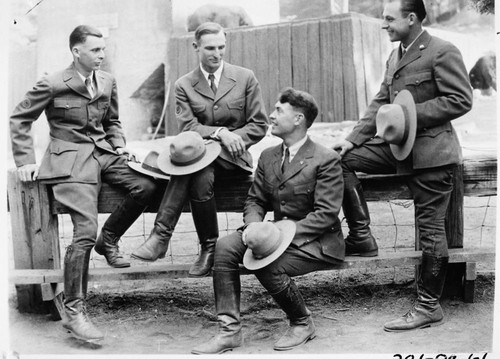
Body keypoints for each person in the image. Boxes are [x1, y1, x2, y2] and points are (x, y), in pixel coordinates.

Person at [333, 0, 472, 332]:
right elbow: (380, 101)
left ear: (412, 19)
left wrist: (409, 115)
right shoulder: (395, 56)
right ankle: (362, 236)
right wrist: (351, 139)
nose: (384, 25)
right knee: (338, 161)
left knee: (431, 232)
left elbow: (461, 99)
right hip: (396, 149)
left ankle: (428, 306)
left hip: (431, 155)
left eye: (389, 18)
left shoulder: (442, 50)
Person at [9, 25, 158, 341]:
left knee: (146, 186)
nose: (101, 56)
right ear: (77, 51)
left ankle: (111, 239)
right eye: (95, 50)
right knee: (84, 232)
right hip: (69, 161)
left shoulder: (106, 81)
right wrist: (25, 161)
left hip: (103, 153)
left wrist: (119, 144)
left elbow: (112, 122)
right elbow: (19, 119)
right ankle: (74, 311)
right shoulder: (52, 83)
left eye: (103, 50)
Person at [191, 87, 345, 354]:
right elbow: (256, 200)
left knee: (266, 262)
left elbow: (325, 215)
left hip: (318, 242)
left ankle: (301, 322)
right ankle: (229, 332)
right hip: (274, 234)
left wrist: (278, 235)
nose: (271, 116)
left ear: (298, 119)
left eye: (278, 111)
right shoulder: (269, 156)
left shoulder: (325, 159)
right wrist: (253, 226)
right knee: (225, 247)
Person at [131, 22, 269, 277]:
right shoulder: (184, 85)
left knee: (197, 165)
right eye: (209, 49)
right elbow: (188, 126)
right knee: (201, 173)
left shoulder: (245, 77)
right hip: (201, 162)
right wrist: (220, 133)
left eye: (221, 47)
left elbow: (260, 124)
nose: (217, 54)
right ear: (196, 47)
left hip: (235, 159)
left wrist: (234, 138)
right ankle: (209, 249)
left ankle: (162, 236)